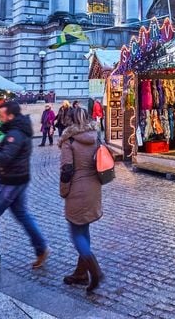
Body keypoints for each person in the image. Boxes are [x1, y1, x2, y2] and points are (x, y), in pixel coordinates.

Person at [0, 100, 48, 273]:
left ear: (11, 116)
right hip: (18, 179)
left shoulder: (16, 133)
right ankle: (41, 247)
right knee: (22, 214)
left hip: (10, 181)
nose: (0, 117)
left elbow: (6, 157)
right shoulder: (17, 130)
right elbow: (8, 150)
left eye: (2, 115)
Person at [58, 106, 104, 293]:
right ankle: (81, 273)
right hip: (94, 187)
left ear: (69, 120)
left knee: (76, 233)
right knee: (83, 229)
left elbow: (67, 170)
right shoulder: (95, 136)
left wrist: (63, 191)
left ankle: (95, 270)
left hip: (77, 189)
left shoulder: (69, 140)